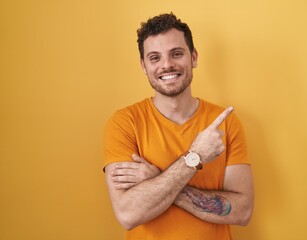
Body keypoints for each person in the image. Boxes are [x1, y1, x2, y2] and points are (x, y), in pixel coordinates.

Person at [103, 13, 254, 240]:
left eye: (176, 53)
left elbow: (242, 211)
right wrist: (195, 157)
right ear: (144, 66)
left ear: (193, 57)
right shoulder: (124, 123)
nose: (167, 65)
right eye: (154, 58)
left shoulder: (224, 122)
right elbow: (128, 213)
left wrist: (156, 178)